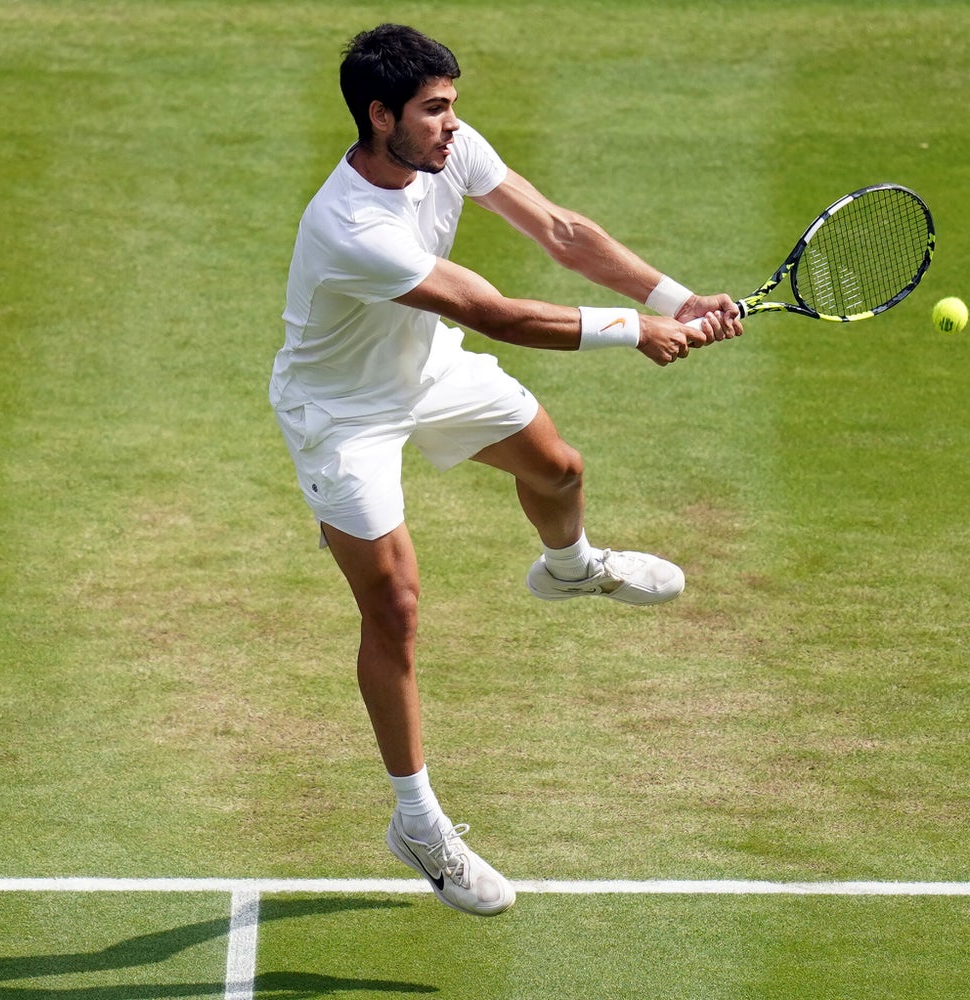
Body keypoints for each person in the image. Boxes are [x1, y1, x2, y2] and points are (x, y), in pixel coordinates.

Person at [271, 23, 743, 916]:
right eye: (434, 110)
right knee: (396, 606)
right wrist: (629, 331)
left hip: (422, 368)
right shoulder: (350, 226)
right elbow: (493, 314)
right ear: (381, 117)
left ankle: (570, 570)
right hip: (341, 417)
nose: (452, 126)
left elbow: (562, 231)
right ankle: (417, 822)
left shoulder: (450, 151)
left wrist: (676, 300)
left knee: (558, 470)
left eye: (453, 107)